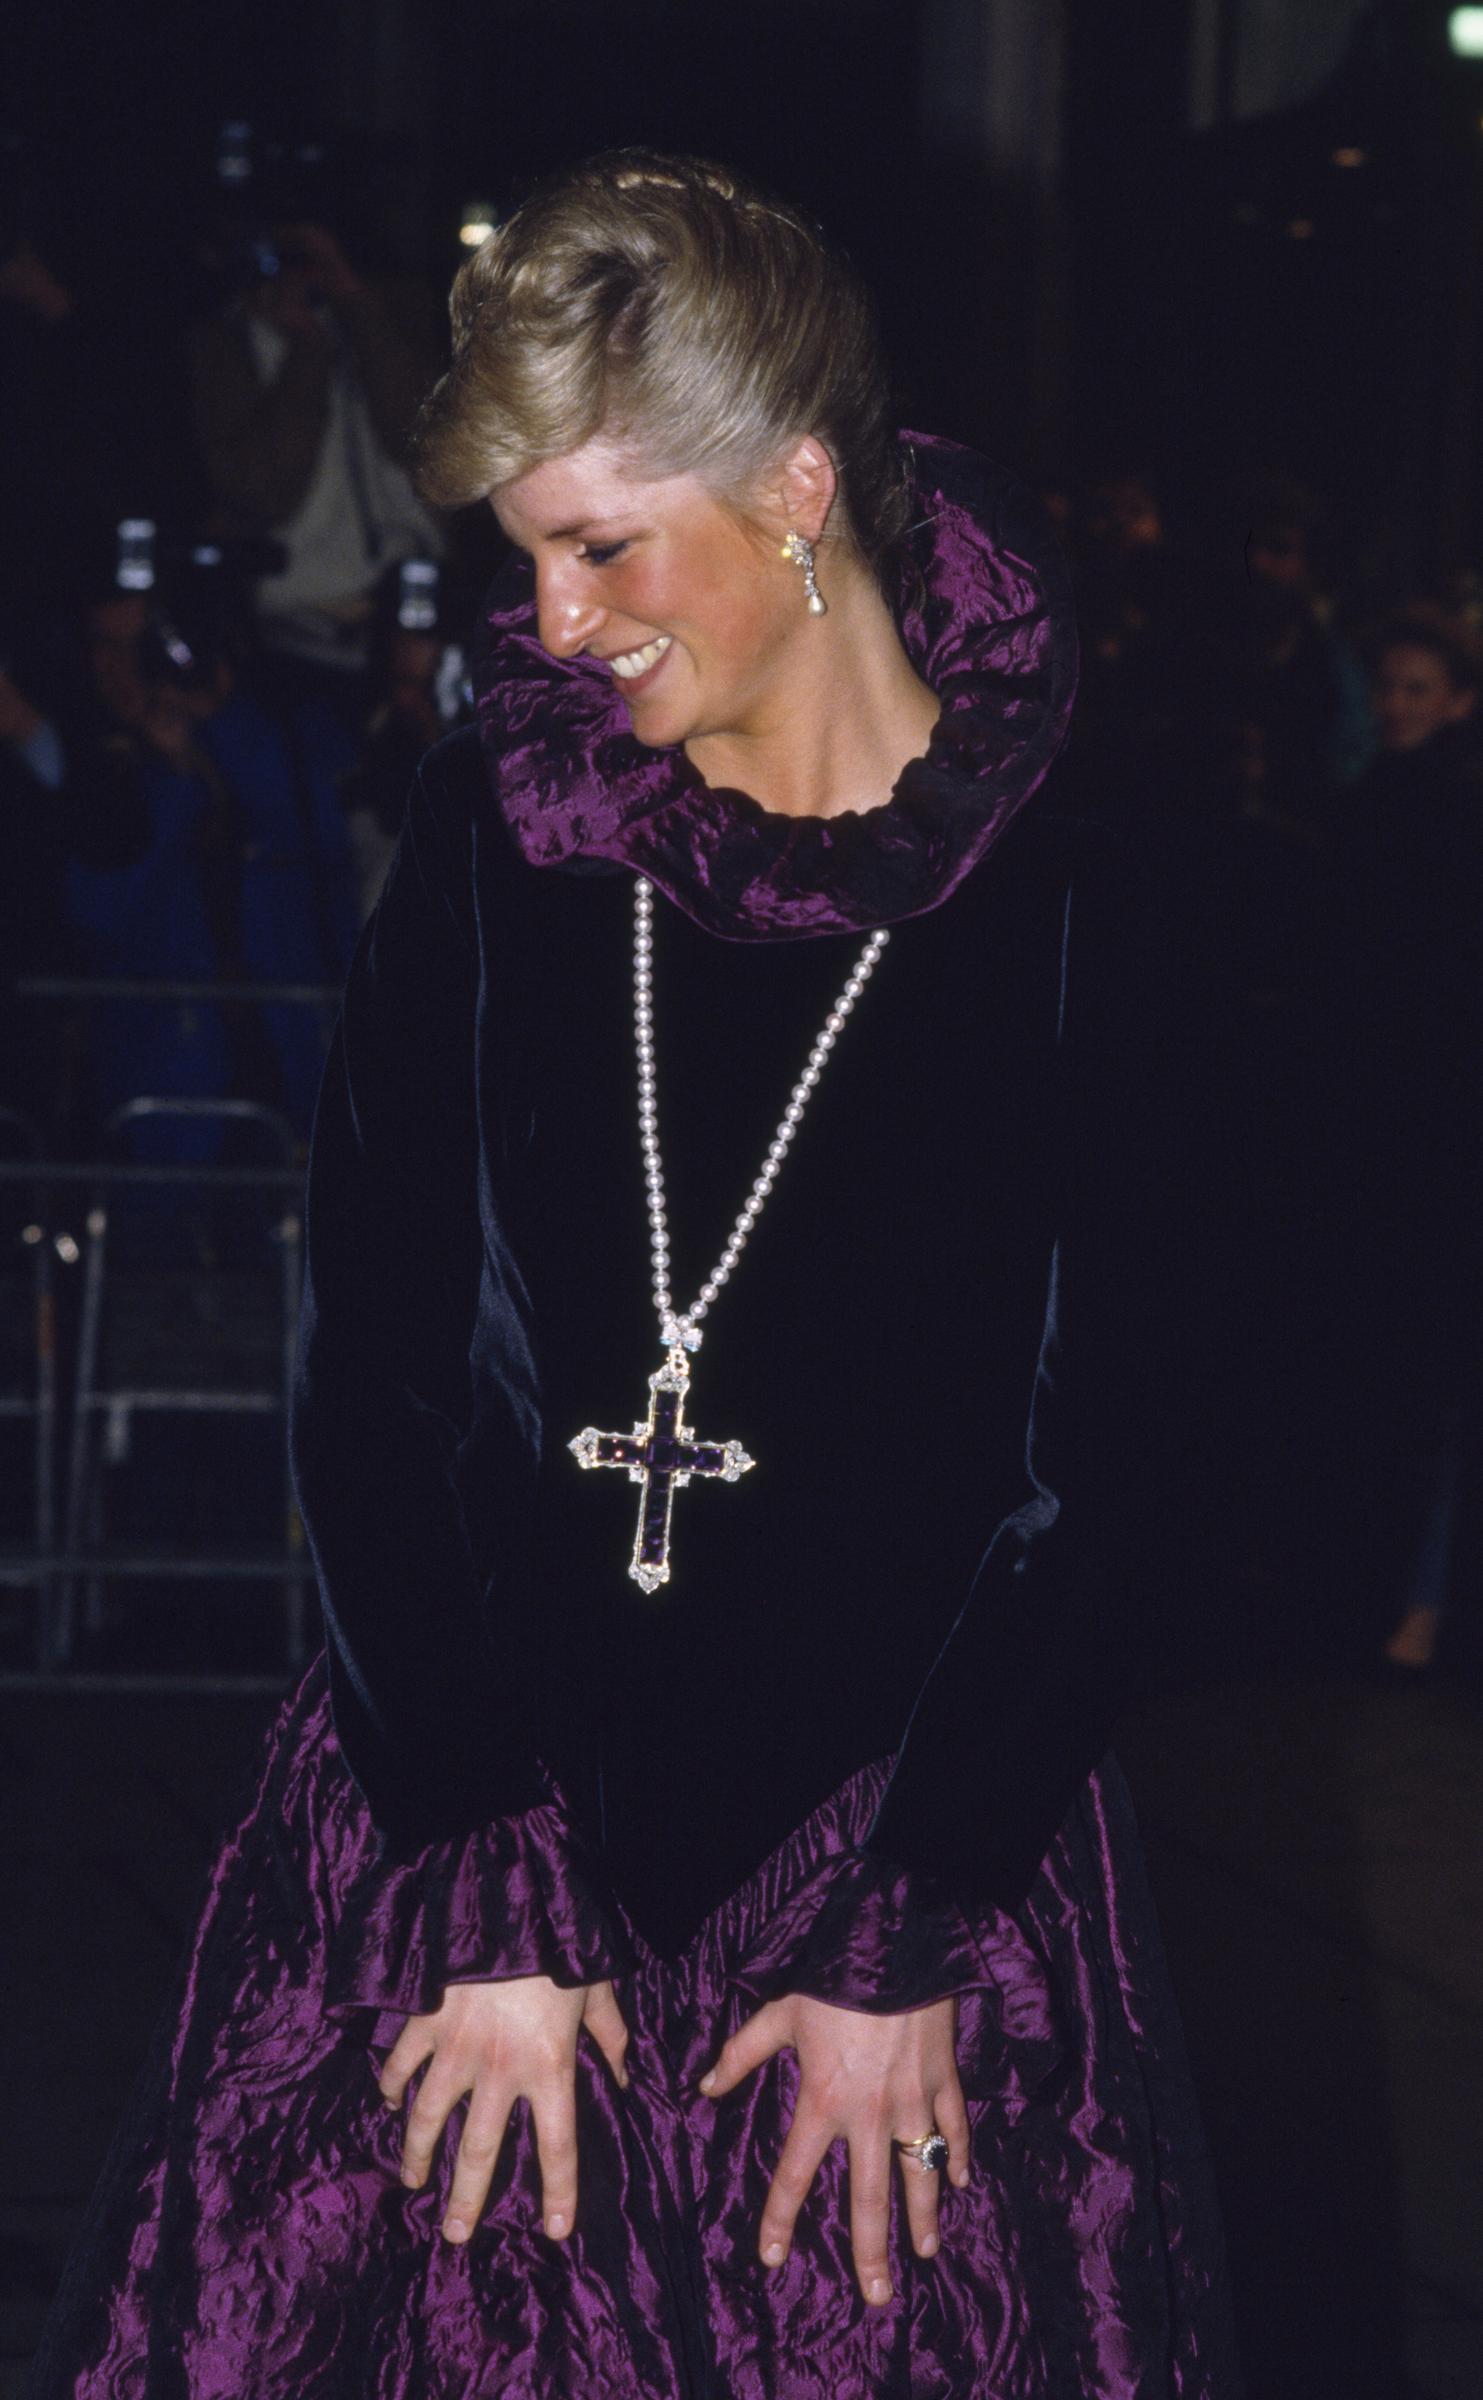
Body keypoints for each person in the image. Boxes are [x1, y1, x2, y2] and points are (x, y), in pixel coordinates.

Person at [29, 151, 1242, 2397]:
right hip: (474, 1825)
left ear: (796, 489)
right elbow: (372, 1364)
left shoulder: (1094, 885)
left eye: (602, 543)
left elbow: (1110, 1458)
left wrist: (910, 1933)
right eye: (526, 558)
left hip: (901, 1874)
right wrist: (474, 1869)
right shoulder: (512, 837)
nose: (559, 621)